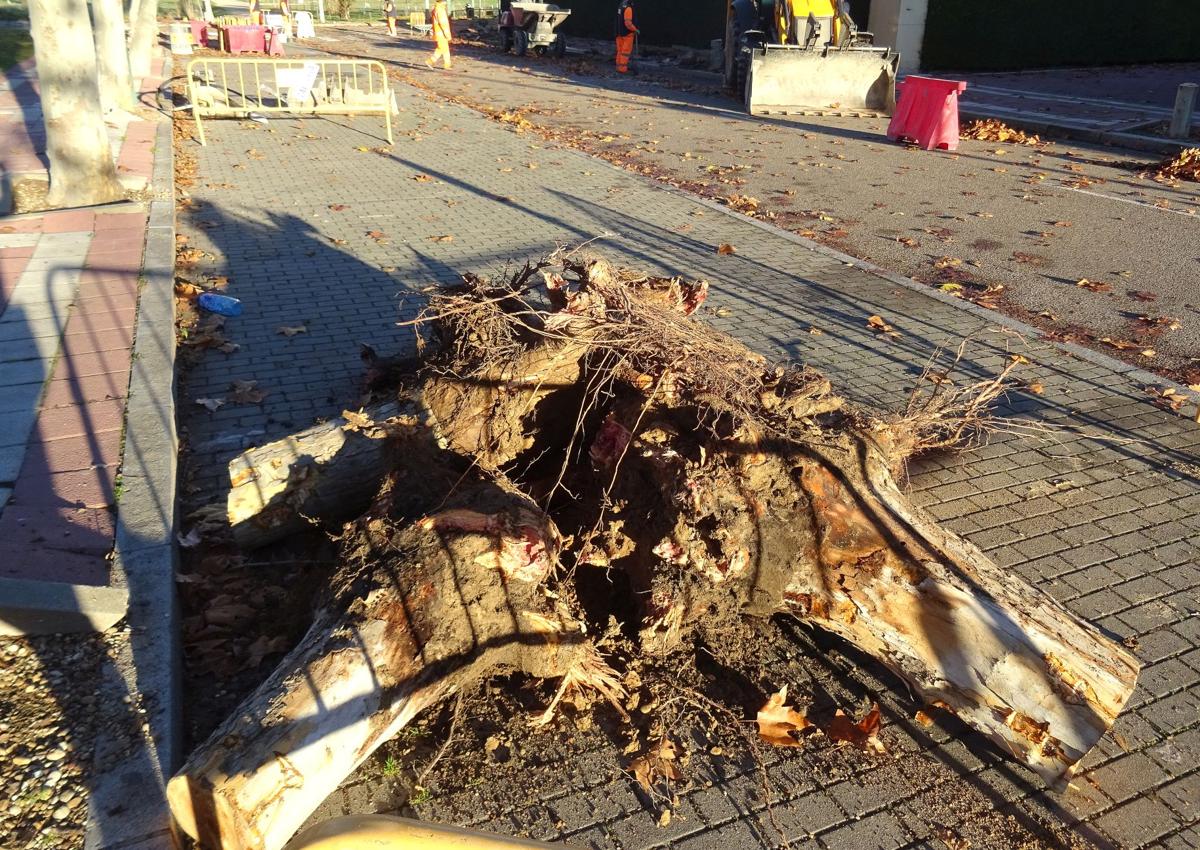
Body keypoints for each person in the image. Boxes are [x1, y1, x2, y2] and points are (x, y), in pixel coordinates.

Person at [427, 0, 453, 70]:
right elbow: (443, 23)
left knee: (445, 48)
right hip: (441, 33)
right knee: (441, 48)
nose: (446, 2)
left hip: (439, 32)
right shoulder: (440, 10)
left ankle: (447, 64)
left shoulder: (437, 8)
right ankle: (430, 61)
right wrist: (448, 35)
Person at [614, 0, 638, 74]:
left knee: (620, 51)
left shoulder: (621, 5)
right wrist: (635, 29)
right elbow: (628, 23)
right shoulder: (628, 8)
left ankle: (618, 67)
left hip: (619, 32)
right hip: (627, 34)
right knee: (625, 52)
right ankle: (623, 69)